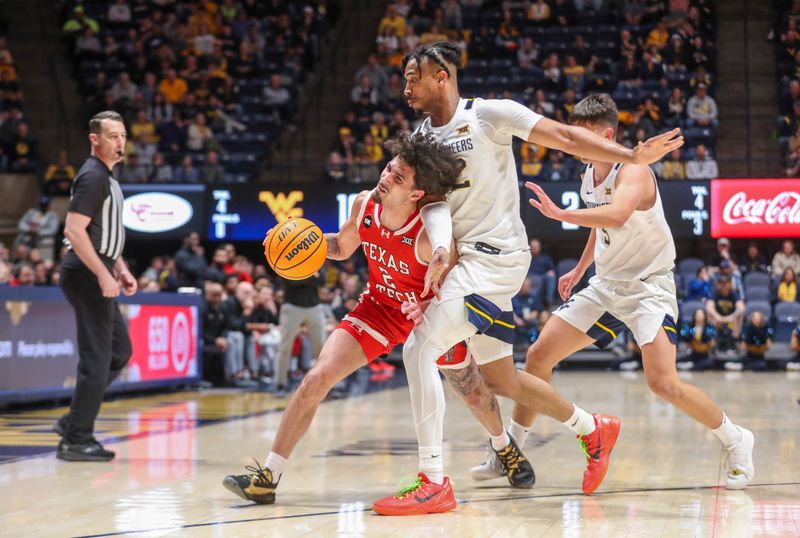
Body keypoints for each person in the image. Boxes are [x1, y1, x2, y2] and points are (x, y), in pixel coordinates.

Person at [373, 42, 684, 514]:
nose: (406, 84)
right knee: (501, 377)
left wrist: (631, 155)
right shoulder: (420, 137)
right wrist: (438, 252)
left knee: (419, 348)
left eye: (415, 75)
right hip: (466, 264)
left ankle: (433, 480)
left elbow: (566, 136)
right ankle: (591, 428)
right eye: (404, 76)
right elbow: (432, 204)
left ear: (443, 75)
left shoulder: (489, 115)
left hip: (495, 259)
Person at [222, 133, 533, 507]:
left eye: (398, 177)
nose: (386, 177)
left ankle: (503, 446)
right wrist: (300, 243)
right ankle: (267, 477)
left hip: (425, 316)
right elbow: (341, 246)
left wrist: (429, 305)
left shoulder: (429, 233)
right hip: (379, 309)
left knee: (475, 395)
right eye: (389, 168)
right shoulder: (364, 203)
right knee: (315, 379)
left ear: (417, 194)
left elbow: (452, 283)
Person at [502, 95, 753, 494]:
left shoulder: (634, 173)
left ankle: (735, 437)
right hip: (606, 285)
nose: (571, 144)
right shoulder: (589, 172)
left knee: (663, 383)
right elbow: (599, 225)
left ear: (605, 135)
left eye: (579, 137)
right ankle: (512, 449)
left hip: (648, 287)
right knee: (537, 356)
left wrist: (560, 215)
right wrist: (582, 267)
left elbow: (616, 215)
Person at [53, 111, 136, 461]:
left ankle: (75, 419)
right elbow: (74, 230)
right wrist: (103, 274)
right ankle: (76, 439)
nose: (119, 142)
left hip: (99, 267)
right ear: (94, 139)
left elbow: (102, 233)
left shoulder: (108, 177)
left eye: (122, 136)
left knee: (118, 351)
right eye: (112, 136)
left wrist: (120, 267)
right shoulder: (92, 177)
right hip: (87, 273)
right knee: (97, 357)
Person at [15, 196, 60, 262]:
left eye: (45, 205)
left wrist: (38, 231)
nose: (43, 207)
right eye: (42, 205)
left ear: (48, 205)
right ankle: (19, 261)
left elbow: (53, 230)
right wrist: (29, 229)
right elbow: (21, 224)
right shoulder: (31, 212)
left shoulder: (52, 215)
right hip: (28, 239)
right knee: (19, 240)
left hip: (43, 241)